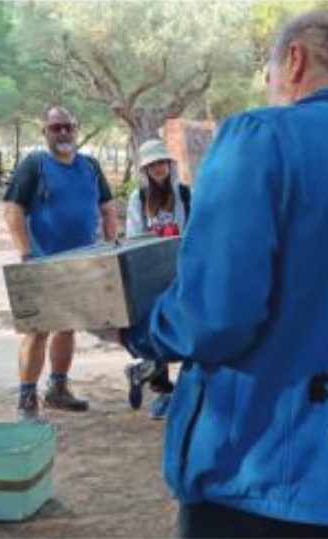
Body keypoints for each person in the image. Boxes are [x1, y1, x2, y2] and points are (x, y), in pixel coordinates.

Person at [114, 8, 328, 538]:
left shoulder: (261, 136)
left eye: (267, 75)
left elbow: (216, 316)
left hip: (261, 477)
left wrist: (137, 328)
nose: (267, 88)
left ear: (293, 60)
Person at [4, 106, 119, 422]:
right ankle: (27, 398)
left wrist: (110, 247)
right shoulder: (34, 165)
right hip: (43, 262)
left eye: (68, 127)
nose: (63, 133)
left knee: (68, 327)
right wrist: (26, 254)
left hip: (82, 263)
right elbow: (13, 210)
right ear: (45, 133)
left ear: (77, 129)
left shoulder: (91, 166)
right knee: (37, 330)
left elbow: (108, 208)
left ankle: (58, 390)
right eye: (56, 128)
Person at [123, 138, 190, 420]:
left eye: (162, 162)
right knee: (158, 328)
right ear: (145, 169)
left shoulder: (186, 194)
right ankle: (162, 389)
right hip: (151, 273)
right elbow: (135, 237)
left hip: (182, 272)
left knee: (185, 329)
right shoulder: (138, 199)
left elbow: (194, 230)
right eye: (153, 165)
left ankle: (146, 372)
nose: (159, 168)